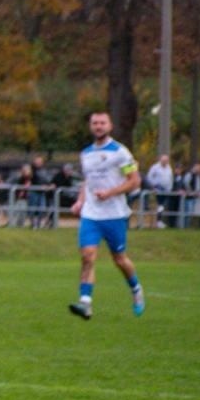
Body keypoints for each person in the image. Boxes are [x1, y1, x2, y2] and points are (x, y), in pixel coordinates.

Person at [69, 110, 144, 319]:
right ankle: (85, 302)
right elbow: (88, 181)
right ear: (90, 126)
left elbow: (134, 181)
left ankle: (136, 289)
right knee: (87, 256)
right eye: (95, 123)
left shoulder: (120, 152)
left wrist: (110, 192)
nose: (98, 126)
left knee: (119, 259)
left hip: (114, 214)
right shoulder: (85, 154)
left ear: (110, 126)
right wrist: (80, 201)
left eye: (102, 123)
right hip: (91, 214)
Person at [146, 154, 175, 228]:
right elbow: (149, 177)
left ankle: (160, 221)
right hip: (158, 189)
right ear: (160, 160)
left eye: (166, 161)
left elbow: (170, 178)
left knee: (163, 206)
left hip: (167, 190)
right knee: (160, 205)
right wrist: (154, 185)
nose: (165, 162)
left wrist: (170, 188)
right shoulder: (155, 167)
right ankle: (158, 221)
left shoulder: (169, 167)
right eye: (163, 160)